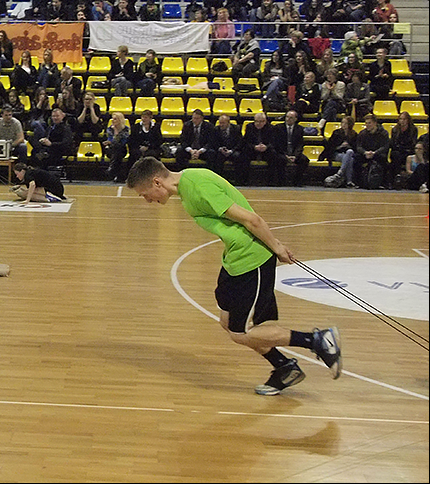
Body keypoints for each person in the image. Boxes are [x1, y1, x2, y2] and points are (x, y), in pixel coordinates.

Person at [126, 156, 342, 394]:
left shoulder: (198, 188)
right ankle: (284, 367)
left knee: (242, 333)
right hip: (235, 259)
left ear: (157, 182)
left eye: (145, 194)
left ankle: (318, 340)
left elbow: (252, 219)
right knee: (228, 322)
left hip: (251, 260)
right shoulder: (189, 184)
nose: (148, 200)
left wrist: (277, 247)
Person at [273, 110, 309, 187]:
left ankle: (297, 182)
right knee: (279, 159)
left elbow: (300, 144)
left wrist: (295, 156)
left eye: (291, 118)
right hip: (282, 152)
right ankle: (281, 182)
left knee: (304, 160)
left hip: (294, 153)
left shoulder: (300, 129)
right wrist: (285, 155)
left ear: (295, 119)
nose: (288, 119)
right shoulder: (278, 128)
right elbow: (277, 144)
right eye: (287, 117)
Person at [321, 116, 359, 188]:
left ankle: (340, 173)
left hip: (347, 154)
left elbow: (356, 148)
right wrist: (340, 146)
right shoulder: (336, 133)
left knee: (350, 154)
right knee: (349, 158)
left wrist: (348, 146)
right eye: (342, 123)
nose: (343, 125)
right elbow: (330, 147)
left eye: (346, 123)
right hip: (336, 154)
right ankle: (349, 181)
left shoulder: (354, 134)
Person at [354, 113, 390, 189]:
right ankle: (358, 182)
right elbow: (359, 147)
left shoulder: (383, 133)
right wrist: (365, 152)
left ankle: (382, 183)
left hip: (378, 154)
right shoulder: (362, 133)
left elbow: (385, 147)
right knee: (356, 158)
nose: (367, 125)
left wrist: (375, 153)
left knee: (383, 159)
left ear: (375, 123)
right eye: (366, 123)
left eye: (369, 123)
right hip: (366, 154)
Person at [387, 111, 418, 189]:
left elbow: (412, 143)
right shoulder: (395, 130)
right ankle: (394, 180)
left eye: (404, 119)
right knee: (395, 155)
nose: (402, 121)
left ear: (408, 120)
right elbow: (393, 143)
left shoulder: (413, 129)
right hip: (398, 151)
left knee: (403, 155)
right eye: (401, 119)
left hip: (408, 151)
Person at [103, 111, 132, 183]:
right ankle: (118, 175)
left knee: (118, 149)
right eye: (112, 119)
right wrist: (109, 142)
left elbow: (123, 142)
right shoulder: (110, 129)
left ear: (120, 120)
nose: (113, 120)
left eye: (115, 119)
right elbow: (111, 140)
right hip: (111, 149)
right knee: (117, 152)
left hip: (122, 149)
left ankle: (112, 168)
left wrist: (116, 131)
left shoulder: (126, 129)